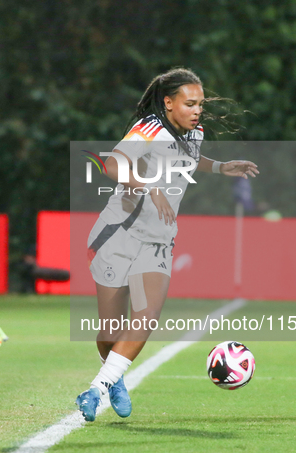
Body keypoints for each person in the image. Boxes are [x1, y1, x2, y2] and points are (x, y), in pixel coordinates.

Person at [76, 68, 259, 422]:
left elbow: (187, 161)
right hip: (116, 234)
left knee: (146, 316)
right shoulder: (149, 130)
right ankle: (112, 377)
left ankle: (97, 387)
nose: (197, 111)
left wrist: (222, 168)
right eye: (190, 104)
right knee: (110, 332)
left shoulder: (195, 133)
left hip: (158, 240)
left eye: (200, 105)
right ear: (169, 102)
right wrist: (149, 185)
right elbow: (111, 164)